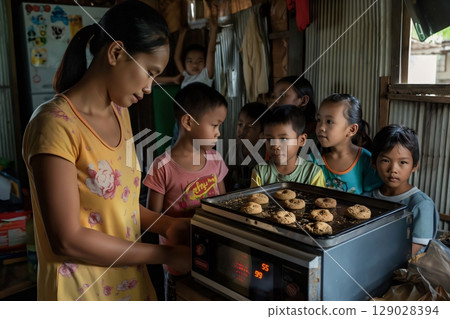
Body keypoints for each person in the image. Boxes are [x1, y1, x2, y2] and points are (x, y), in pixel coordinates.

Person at [22, 0, 190, 301]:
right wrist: (167, 253)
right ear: (116, 53)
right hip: (82, 292)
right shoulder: (54, 126)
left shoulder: (120, 113)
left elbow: (116, 204)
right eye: (149, 72)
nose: (151, 87)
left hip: (127, 284)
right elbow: (67, 239)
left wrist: (168, 225)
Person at [143, 82, 228, 300]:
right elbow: (152, 220)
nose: (219, 133)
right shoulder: (162, 167)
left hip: (213, 256)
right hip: (178, 264)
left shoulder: (215, 160)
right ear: (188, 122)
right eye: (215, 125)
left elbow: (224, 205)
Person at [365, 125, 439, 256]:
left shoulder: (421, 205)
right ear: (374, 163)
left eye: (403, 162)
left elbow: (412, 251)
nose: (393, 169)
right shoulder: (367, 198)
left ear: (414, 166)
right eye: (385, 160)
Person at [312, 93, 382, 194]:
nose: (321, 127)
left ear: (351, 129)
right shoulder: (314, 157)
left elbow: (372, 198)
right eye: (319, 120)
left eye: (329, 121)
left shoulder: (366, 160)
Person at [170, 4, 219, 146]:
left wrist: (214, 30)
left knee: (202, 146)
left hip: (201, 119)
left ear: (204, 63)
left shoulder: (206, 75)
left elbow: (210, 52)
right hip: (182, 118)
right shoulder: (185, 75)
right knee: (177, 143)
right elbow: (176, 58)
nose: (194, 64)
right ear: (185, 64)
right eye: (190, 61)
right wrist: (182, 34)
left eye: (199, 61)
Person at [250, 105, 325, 187]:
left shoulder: (313, 173)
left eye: (283, 139)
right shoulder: (260, 172)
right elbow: (255, 199)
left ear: (301, 140)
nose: (275, 146)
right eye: (269, 139)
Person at [225, 102, 268, 190]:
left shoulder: (266, 152)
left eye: (249, 127)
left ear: (263, 133)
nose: (242, 130)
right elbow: (226, 178)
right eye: (240, 124)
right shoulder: (234, 149)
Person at [271, 76, 317, 140]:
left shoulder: (316, 132)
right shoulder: (269, 127)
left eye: (283, 95)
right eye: (273, 96)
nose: (274, 101)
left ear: (303, 101)